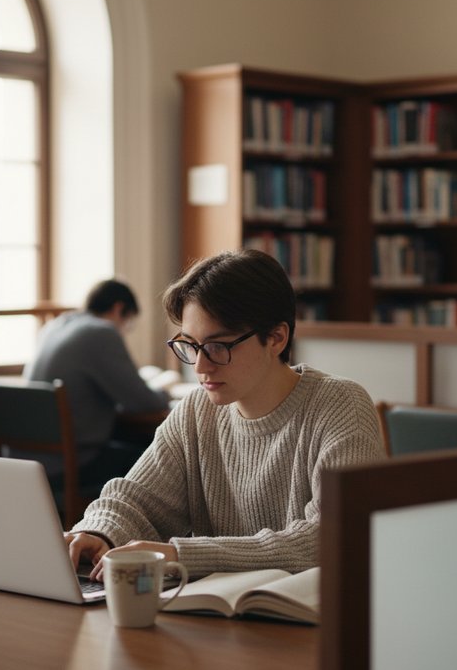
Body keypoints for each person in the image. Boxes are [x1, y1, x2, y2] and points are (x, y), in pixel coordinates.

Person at [64, 249, 385, 581]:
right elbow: (136, 500)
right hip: (215, 605)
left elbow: (333, 535)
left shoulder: (341, 406)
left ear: (276, 338)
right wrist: (98, 532)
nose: (200, 366)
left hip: (308, 608)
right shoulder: (196, 411)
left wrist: (183, 555)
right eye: (191, 345)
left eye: (218, 346)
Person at [21, 279, 171, 487]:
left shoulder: (57, 325)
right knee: (161, 459)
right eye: (128, 323)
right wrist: (166, 391)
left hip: (33, 461)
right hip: (71, 463)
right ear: (118, 309)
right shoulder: (101, 332)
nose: (125, 331)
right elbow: (144, 402)